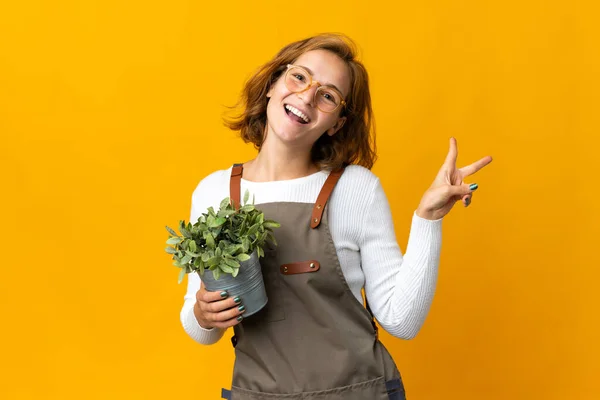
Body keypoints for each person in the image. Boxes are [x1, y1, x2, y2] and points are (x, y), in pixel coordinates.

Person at [180, 33, 492, 400]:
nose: (307, 96)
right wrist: (204, 314)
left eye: (328, 95)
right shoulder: (214, 193)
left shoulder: (356, 190)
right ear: (272, 84)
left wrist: (428, 218)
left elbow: (401, 321)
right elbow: (202, 330)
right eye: (299, 77)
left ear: (337, 124)